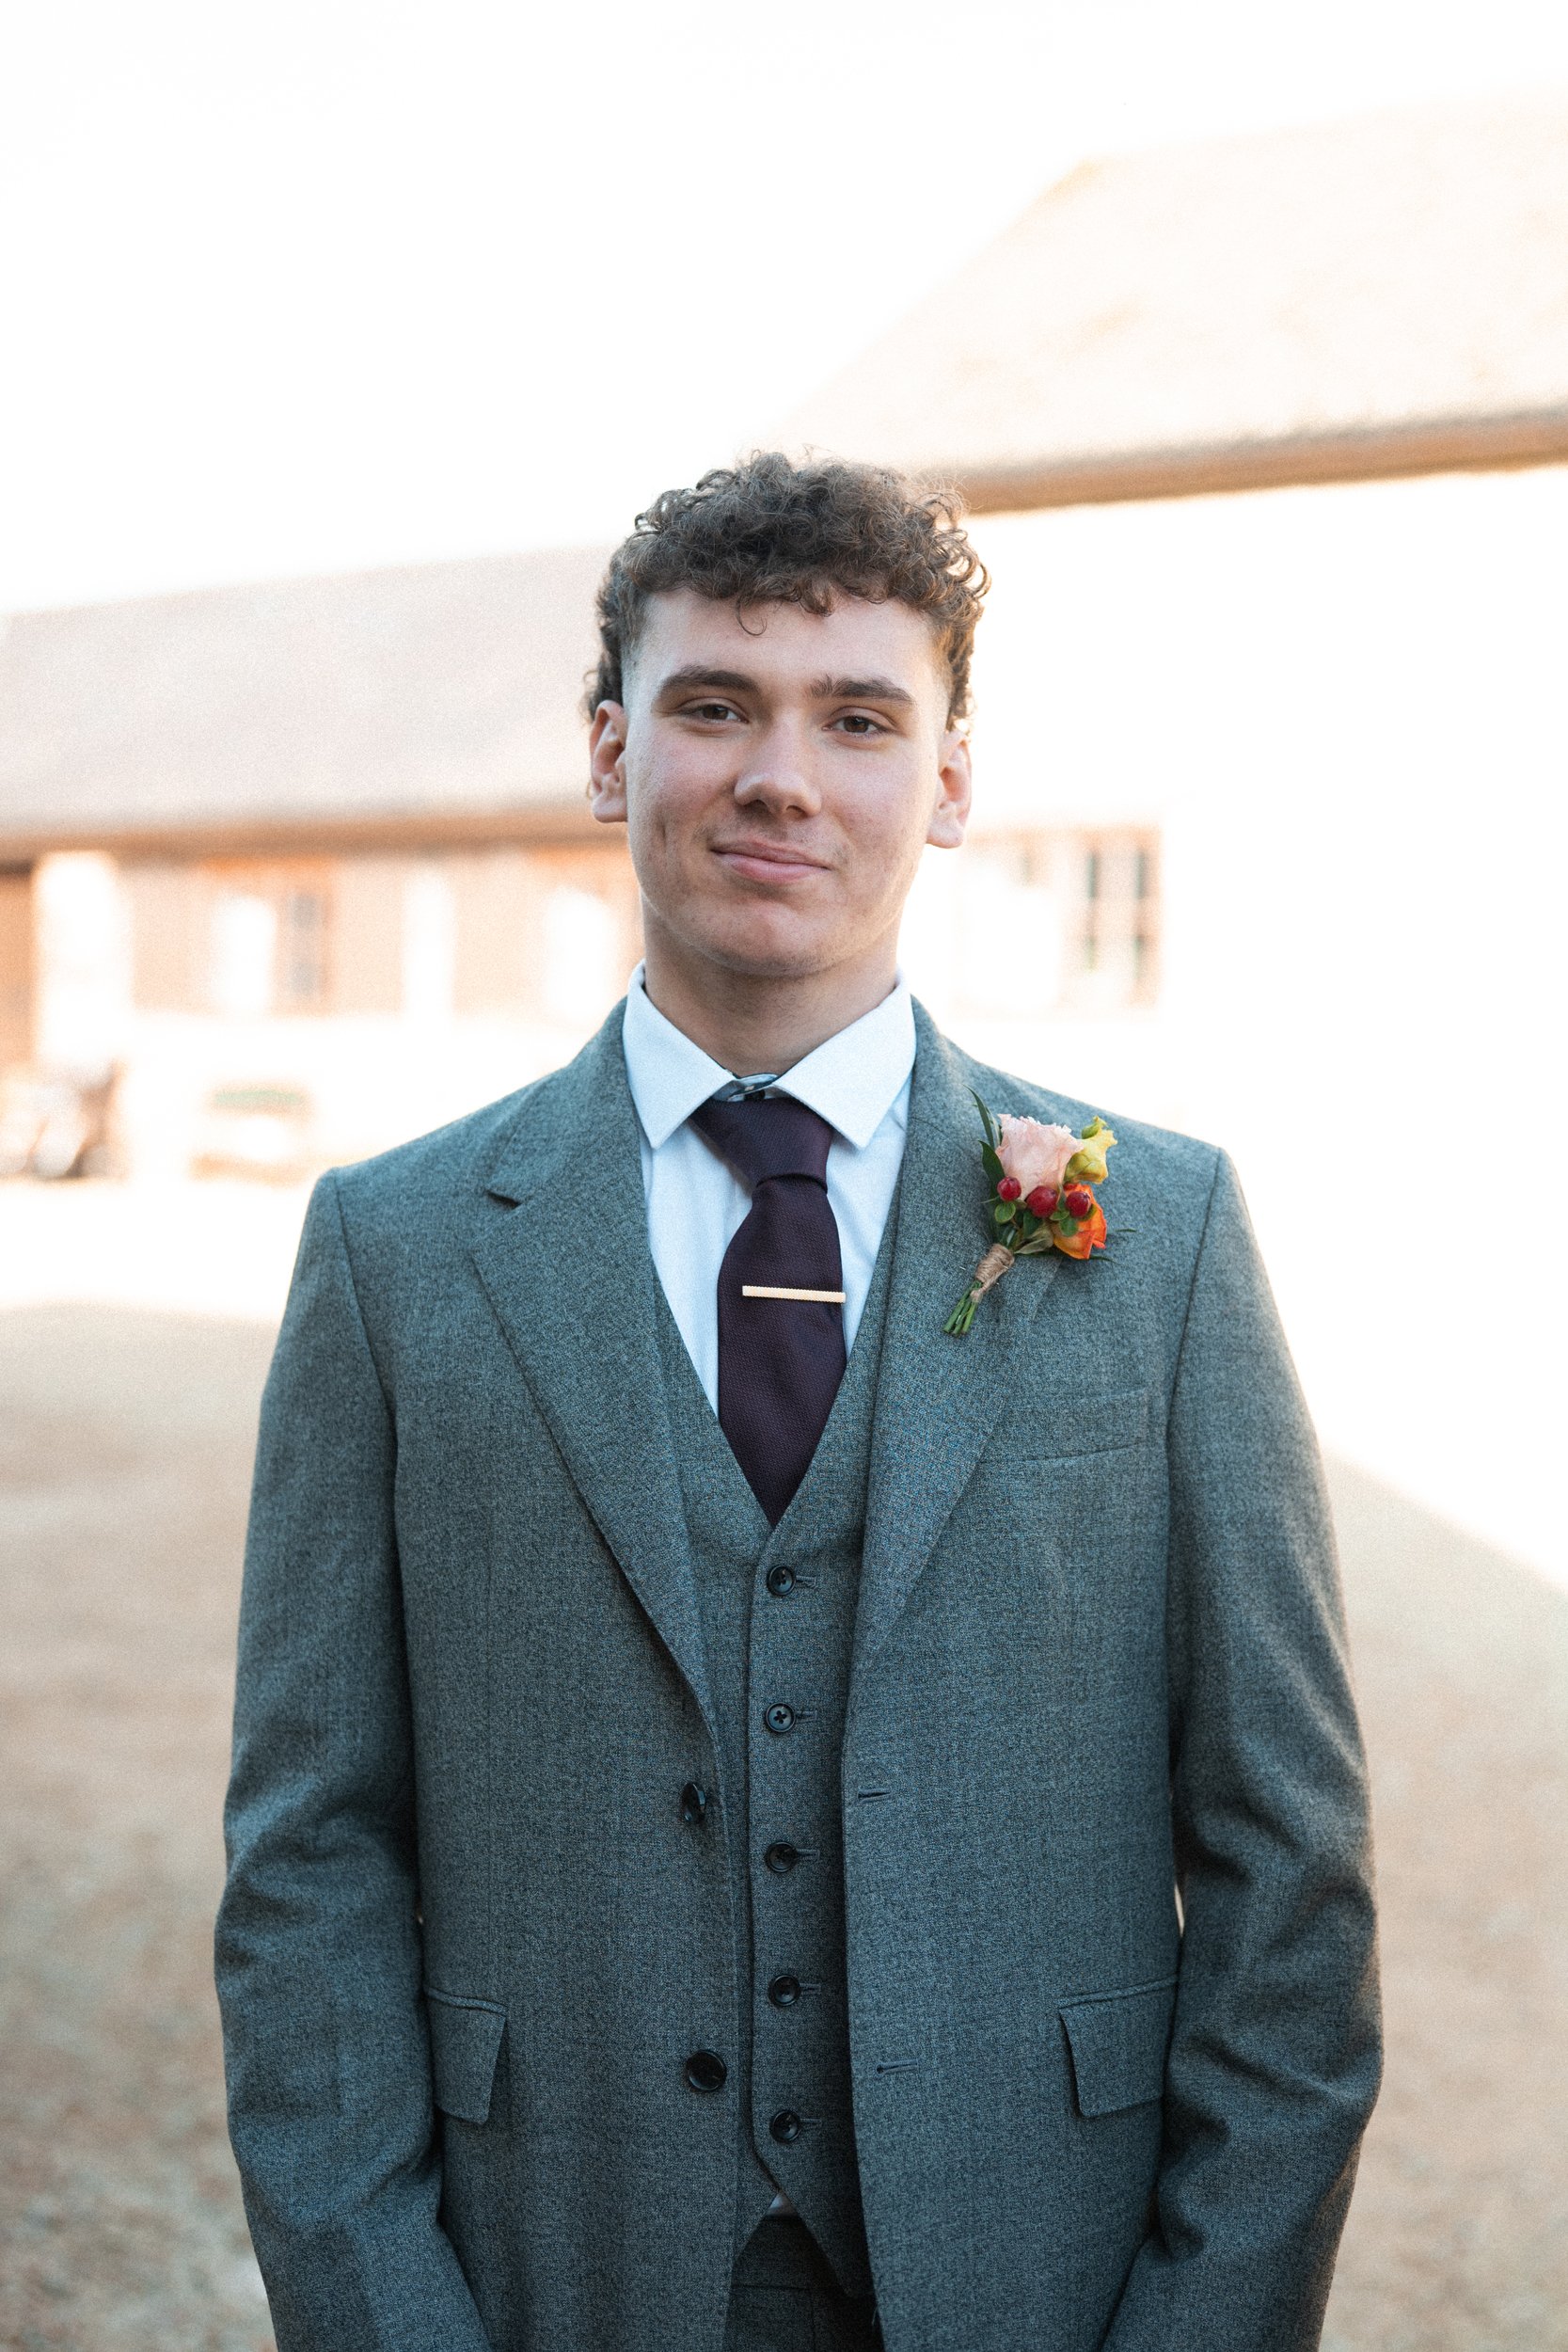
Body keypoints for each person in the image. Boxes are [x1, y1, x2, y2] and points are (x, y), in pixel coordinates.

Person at [215, 453, 1380, 2352]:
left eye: (858, 716)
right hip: (553, 2265)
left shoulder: (1156, 1241)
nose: (781, 773)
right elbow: (311, 1863)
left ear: (949, 778)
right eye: (713, 705)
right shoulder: (394, 1249)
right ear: (610, 752)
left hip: (1045, 2267)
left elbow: (1288, 1875)